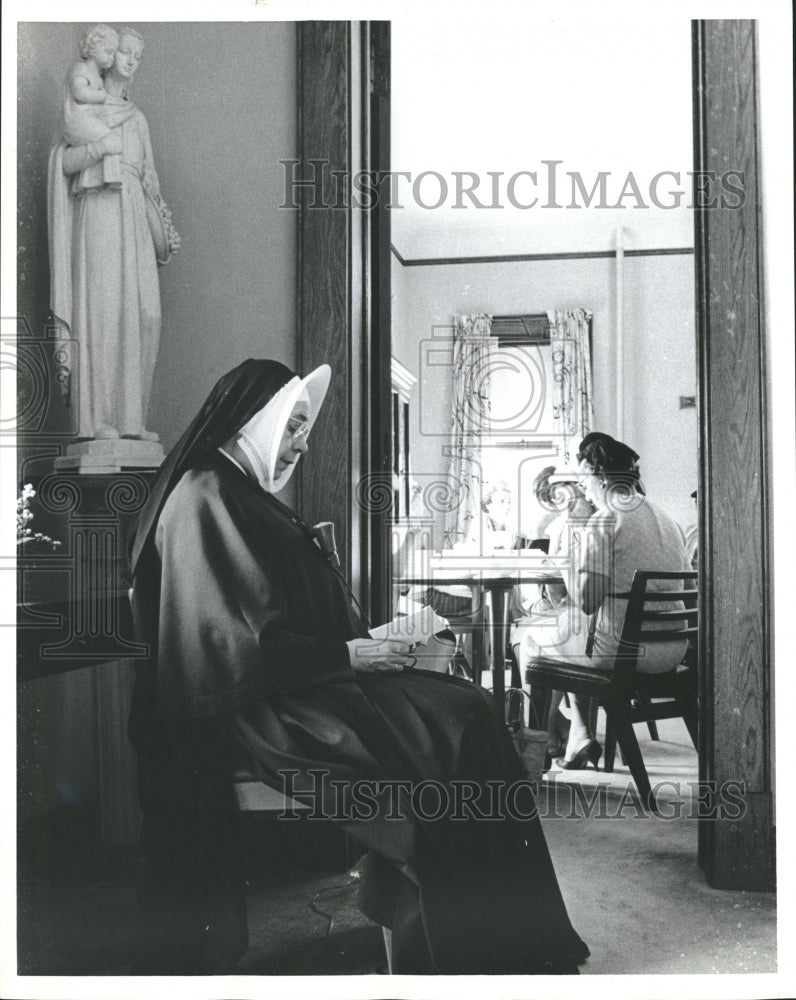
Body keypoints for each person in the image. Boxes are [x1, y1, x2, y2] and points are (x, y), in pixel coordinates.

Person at [127, 359, 589, 975]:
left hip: (309, 683)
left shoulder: (237, 489)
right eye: (291, 427)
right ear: (252, 422)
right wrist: (351, 653)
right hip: (272, 709)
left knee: (465, 710)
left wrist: (370, 643)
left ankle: (495, 935)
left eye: (305, 429)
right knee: (461, 722)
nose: (301, 443)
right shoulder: (205, 494)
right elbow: (233, 647)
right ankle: (485, 940)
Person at [48, 27, 176, 441]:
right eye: (125, 52)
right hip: (100, 209)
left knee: (143, 313)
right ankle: (97, 419)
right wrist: (101, 150)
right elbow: (63, 164)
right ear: (108, 55)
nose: (131, 61)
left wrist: (162, 227)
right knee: (102, 312)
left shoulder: (137, 119)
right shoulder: (85, 107)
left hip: (133, 216)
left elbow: (151, 178)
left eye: (138, 55)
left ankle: (130, 418)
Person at [551, 437, 691, 770]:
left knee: (538, 638)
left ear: (598, 476)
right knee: (573, 629)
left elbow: (587, 602)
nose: (584, 491)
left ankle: (543, 750)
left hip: (627, 652)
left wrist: (565, 563)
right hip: (673, 648)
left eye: (584, 482)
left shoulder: (605, 519)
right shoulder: (665, 518)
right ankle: (578, 735)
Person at [511, 467, 594, 756]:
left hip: (589, 622)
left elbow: (565, 595)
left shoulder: (567, 525)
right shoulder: (613, 518)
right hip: (612, 621)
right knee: (546, 624)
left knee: (529, 638)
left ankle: (543, 730)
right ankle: (568, 724)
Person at [60, 24, 126, 189]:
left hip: (86, 120)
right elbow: (79, 92)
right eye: (108, 52)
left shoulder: (97, 75)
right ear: (93, 49)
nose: (112, 58)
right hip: (77, 121)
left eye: (113, 54)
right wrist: (101, 96)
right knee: (112, 141)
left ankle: (112, 177)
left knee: (114, 141)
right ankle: (112, 178)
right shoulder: (80, 68)